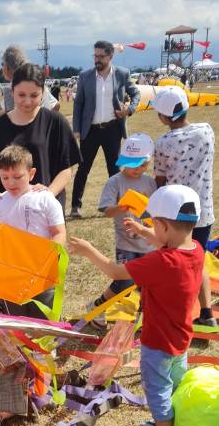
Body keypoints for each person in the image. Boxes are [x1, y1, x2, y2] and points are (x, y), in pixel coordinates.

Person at [70, 184, 204, 426]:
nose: (152, 230)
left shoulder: (162, 261)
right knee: (174, 382)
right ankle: (171, 423)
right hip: (180, 338)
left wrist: (88, 250)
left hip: (158, 342)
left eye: (154, 225)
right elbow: (169, 244)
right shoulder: (195, 249)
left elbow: (115, 271)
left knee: (157, 390)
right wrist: (146, 233)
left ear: (164, 226)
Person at [153, 86, 216, 327]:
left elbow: (160, 182)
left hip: (176, 214)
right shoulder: (207, 131)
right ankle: (207, 314)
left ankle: (174, 314)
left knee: (176, 266)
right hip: (203, 212)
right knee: (198, 263)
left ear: (163, 117)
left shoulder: (163, 143)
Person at [0, 63, 81, 210]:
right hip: (9, 210)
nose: (27, 101)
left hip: (45, 209)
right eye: (21, 95)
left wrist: (48, 195)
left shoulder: (56, 122)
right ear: (12, 92)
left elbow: (66, 168)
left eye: (34, 95)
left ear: (43, 93)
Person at [0, 145, 66, 318]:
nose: (10, 182)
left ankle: (46, 345)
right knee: (15, 323)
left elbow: (59, 232)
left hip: (42, 273)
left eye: (17, 176)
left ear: (31, 173)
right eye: (4, 177)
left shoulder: (44, 198)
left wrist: (48, 257)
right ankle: (20, 345)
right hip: (10, 275)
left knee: (44, 320)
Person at [88, 133, 157, 327]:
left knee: (147, 285)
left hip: (148, 243)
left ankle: (144, 318)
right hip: (126, 243)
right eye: (132, 164)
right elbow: (106, 211)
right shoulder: (115, 182)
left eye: (142, 165)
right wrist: (122, 206)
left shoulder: (150, 183)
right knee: (124, 282)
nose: (137, 170)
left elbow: (154, 212)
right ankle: (96, 307)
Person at [70, 40, 141, 218]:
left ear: (111, 56)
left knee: (114, 170)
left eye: (101, 56)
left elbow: (136, 93)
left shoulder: (122, 74)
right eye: (95, 56)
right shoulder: (85, 76)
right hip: (90, 130)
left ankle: (116, 205)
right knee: (83, 169)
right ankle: (75, 207)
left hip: (112, 129)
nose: (97, 60)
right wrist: (76, 128)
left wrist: (129, 109)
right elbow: (78, 104)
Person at [0, 45, 60, 123]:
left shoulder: (12, 88)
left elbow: (9, 115)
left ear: (8, 67)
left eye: (2, 64)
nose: (2, 68)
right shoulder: (34, 81)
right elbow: (56, 105)